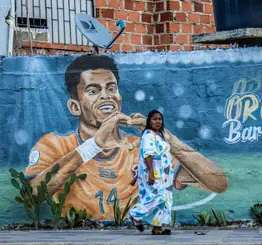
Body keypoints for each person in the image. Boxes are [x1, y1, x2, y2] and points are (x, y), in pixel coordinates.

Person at [24, 54, 228, 221]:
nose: (106, 96)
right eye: (93, 90)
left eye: (111, 88)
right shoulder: (54, 144)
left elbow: (217, 183)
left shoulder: (142, 147)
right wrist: (93, 145)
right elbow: (30, 196)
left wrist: (163, 135)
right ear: (75, 106)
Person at [129, 110, 173, 235]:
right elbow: (147, 155)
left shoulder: (159, 135)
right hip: (155, 173)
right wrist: (151, 173)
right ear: (149, 121)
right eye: (154, 119)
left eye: (160, 119)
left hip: (164, 175)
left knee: (163, 199)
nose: (158, 121)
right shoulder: (148, 135)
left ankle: (157, 227)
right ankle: (135, 215)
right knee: (156, 197)